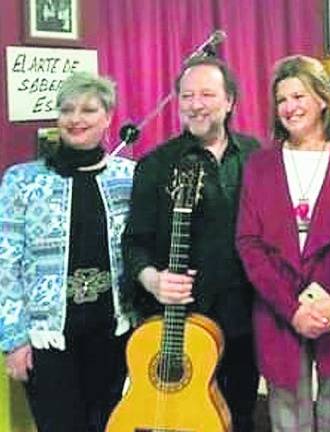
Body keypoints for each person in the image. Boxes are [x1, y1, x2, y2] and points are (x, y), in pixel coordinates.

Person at [121, 56, 260, 432]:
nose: (195, 104)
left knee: (239, 416)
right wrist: (152, 279)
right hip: (174, 323)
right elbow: (133, 243)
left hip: (243, 317)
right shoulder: (155, 164)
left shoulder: (259, 158)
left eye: (207, 94)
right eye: (187, 96)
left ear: (230, 100)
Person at [236, 55, 330, 432]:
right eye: (282, 100)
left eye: (299, 96)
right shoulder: (259, 165)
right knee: (287, 418)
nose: (289, 107)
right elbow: (249, 242)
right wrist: (292, 309)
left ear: (323, 100)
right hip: (280, 311)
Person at [0, 72, 134, 432]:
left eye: (89, 109)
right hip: (48, 341)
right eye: (67, 109)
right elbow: (4, 264)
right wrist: (13, 341)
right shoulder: (21, 180)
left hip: (115, 334)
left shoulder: (130, 177)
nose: (76, 119)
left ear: (108, 117)